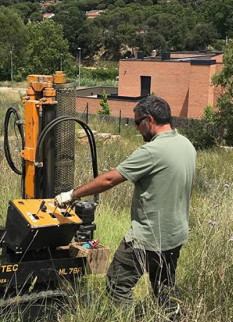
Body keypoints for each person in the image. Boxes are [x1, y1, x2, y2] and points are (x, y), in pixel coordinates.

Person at [55, 95, 196, 317]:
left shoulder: (152, 151)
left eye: (137, 122)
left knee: (116, 286)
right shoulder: (186, 145)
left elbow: (109, 180)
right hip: (175, 235)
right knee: (164, 290)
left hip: (147, 237)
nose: (137, 129)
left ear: (149, 120)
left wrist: (71, 195)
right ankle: (175, 316)